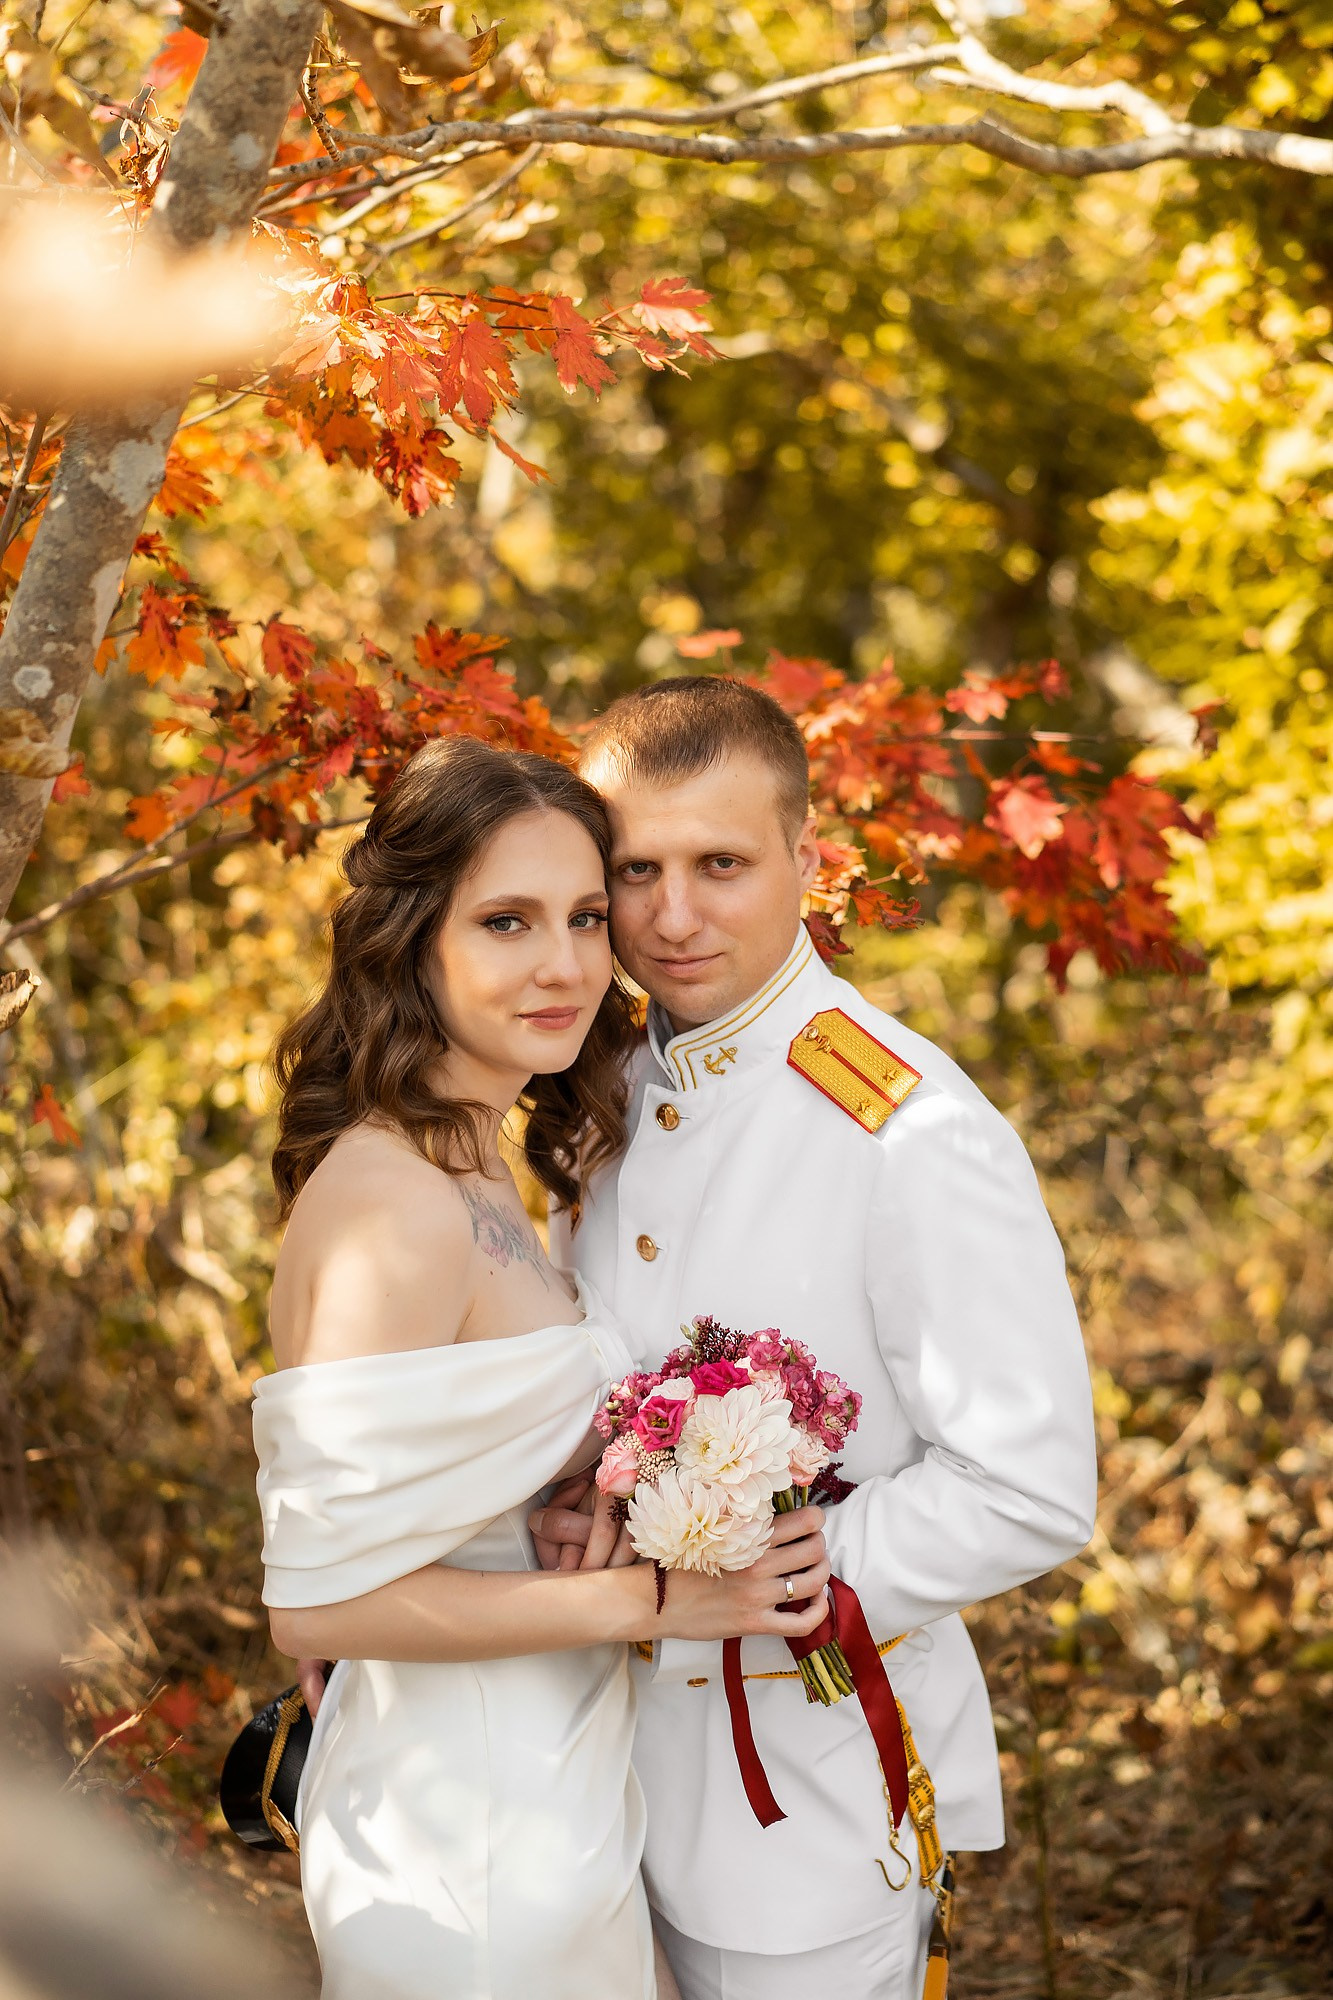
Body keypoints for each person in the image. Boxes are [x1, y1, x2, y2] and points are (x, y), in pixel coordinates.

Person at [528, 676, 1099, 2000]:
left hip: (805, 1794)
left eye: (720, 864)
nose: (672, 916)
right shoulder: (597, 1091)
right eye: (637, 869)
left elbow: (1029, 1488)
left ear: (807, 858)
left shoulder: (909, 1130)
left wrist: (778, 1567)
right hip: (595, 1778)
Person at [256, 735, 834, 2000]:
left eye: (584, 914)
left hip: (552, 1783)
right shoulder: (390, 1206)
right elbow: (318, 1608)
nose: (567, 963)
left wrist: (575, 1493)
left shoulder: (480, 1165)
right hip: (460, 1832)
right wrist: (654, 1602)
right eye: (507, 920)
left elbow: (444, 1480)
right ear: (412, 939)